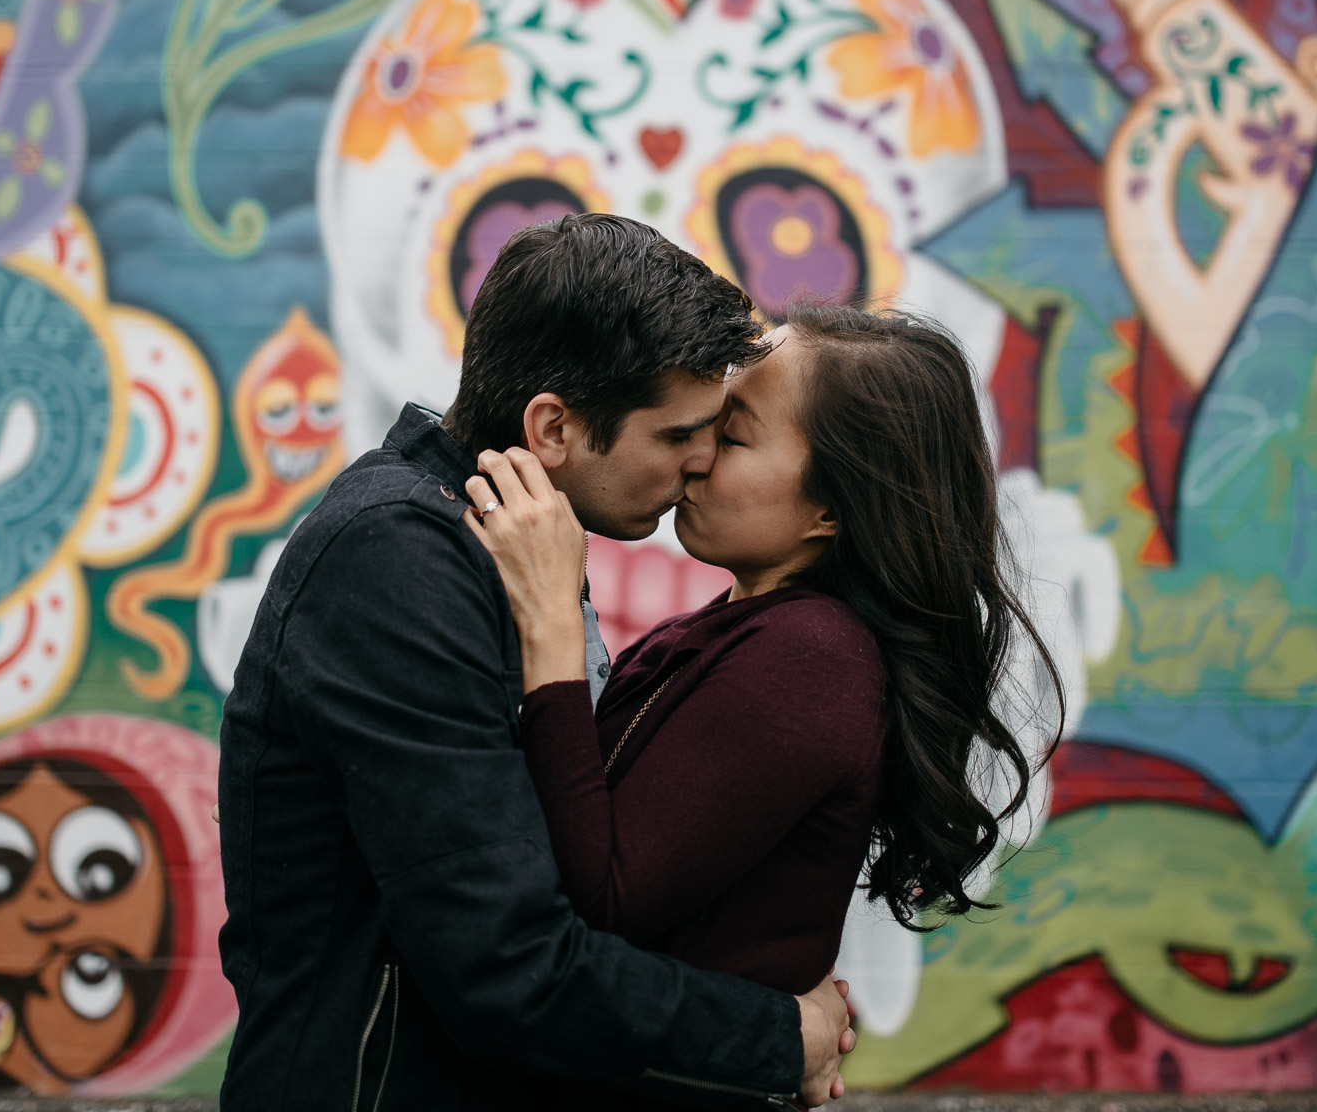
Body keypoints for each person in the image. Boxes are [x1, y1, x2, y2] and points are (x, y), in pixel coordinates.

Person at [217, 214, 854, 1111]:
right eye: (676, 436)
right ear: (554, 427)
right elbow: (507, 966)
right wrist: (772, 1033)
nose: (702, 461)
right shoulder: (398, 564)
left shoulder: (509, 534)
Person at [462, 302, 1062, 1105]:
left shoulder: (810, 658)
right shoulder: (745, 630)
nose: (696, 454)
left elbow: (599, 901)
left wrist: (546, 622)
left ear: (832, 508)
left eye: (732, 435)